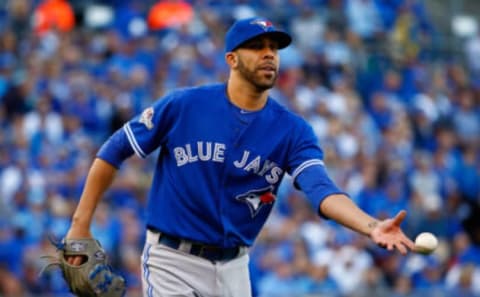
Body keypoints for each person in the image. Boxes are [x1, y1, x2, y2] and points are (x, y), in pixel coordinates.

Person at [65, 17, 415, 297]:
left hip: (235, 269)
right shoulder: (185, 105)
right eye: (257, 46)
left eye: (274, 48)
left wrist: (371, 225)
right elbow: (114, 150)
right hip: (173, 261)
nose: (269, 54)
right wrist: (80, 225)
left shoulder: (292, 130)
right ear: (231, 59)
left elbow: (321, 190)